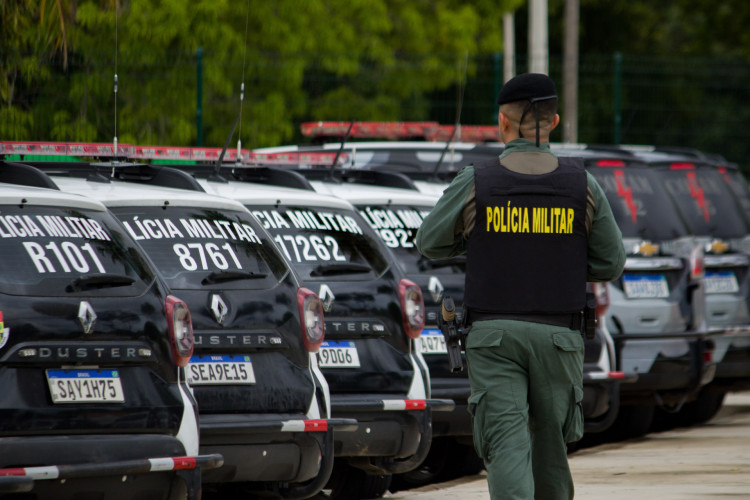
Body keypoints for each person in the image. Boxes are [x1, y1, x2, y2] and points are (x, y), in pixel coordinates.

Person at [415, 73, 625, 500]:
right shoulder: (583, 184)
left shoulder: (477, 180)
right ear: (555, 122)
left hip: (493, 337)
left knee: (507, 445)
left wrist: (473, 237)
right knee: (551, 449)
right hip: (560, 339)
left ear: (502, 123)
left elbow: (429, 242)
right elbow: (612, 262)